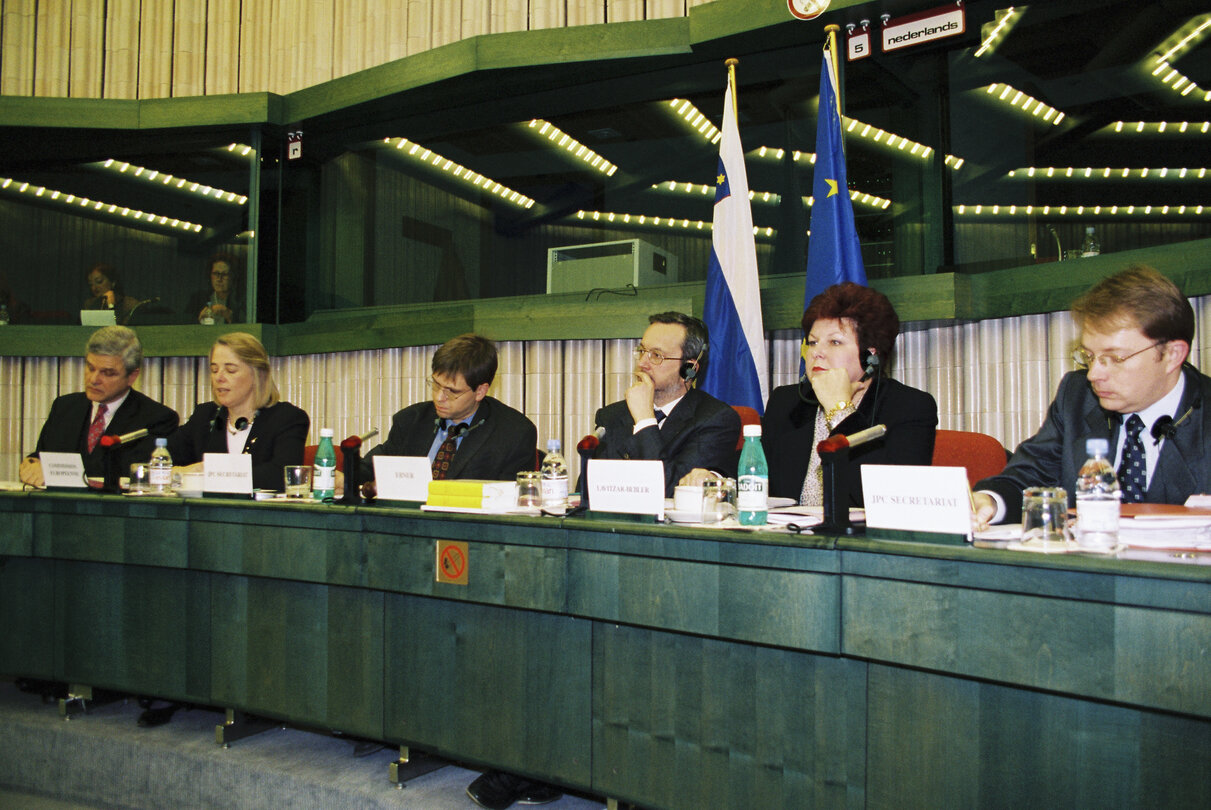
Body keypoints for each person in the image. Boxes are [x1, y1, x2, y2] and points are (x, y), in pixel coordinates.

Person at [973, 264, 1211, 526]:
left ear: (1172, 355)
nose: (1094, 374)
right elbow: (1030, 476)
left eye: (1114, 358)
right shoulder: (1078, 397)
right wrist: (990, 502)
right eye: (1089, 356)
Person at [762, 282, 937, 507]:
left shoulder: (909, 407)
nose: (817, 353)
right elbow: (754, 468)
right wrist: (714, 475)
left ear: (870, 356)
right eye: (813, 342)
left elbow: (890, 499)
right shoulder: (787, 402)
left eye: (835, 342)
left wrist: (841, 411)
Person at [589, 311, 741, 498]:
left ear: (689, 369)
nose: (643, 363)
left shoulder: (716, 420)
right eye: (642, 351)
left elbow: (669, 492)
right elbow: (588, 489)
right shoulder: (611, 416)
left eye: (656, 355)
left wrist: (645, 420)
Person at [360, 333, 537, 491]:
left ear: (480, 391)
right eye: (436, 385)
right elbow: (373, 467)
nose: (439, 397)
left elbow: (509, 502)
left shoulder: (514, 434)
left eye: (452, 392)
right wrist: (345, 477)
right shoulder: (411, 420)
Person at [19, 326, 179, 487]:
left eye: (107, 373)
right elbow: (42, 455)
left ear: (132, 376)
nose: (94, 379)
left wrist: (54, 472)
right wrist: (32, 464)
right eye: (90, 368)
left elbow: (131, 472)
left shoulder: (157, 418)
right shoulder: (64, 407)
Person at [168, 332, 309, 492]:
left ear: (257, 374)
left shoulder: (287, 418)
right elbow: (159, 462)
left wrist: (209, 473)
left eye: (230, 370)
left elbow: (282, 476)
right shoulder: (205, 416)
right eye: (214, 370)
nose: (219, 377)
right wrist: (180, 472)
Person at [186, 254, 243, 324]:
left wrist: (231, 317)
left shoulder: (241, 301)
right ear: (210, 275)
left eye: (224, 274)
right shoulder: (198, 299)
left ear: (233, 276)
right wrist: (199, 319)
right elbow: (184, 325)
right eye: (216, 273)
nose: (219, 279)